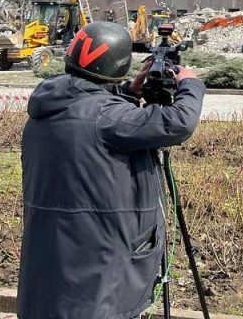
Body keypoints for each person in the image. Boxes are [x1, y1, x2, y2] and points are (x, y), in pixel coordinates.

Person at [18, 21, 207, 319]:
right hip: (97, 265)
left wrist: (127, 92)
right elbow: (178, 122)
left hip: (51, 262)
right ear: (118, 65)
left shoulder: (48, 107)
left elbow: (95, 115)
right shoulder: (107, 117)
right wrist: (191, 83)